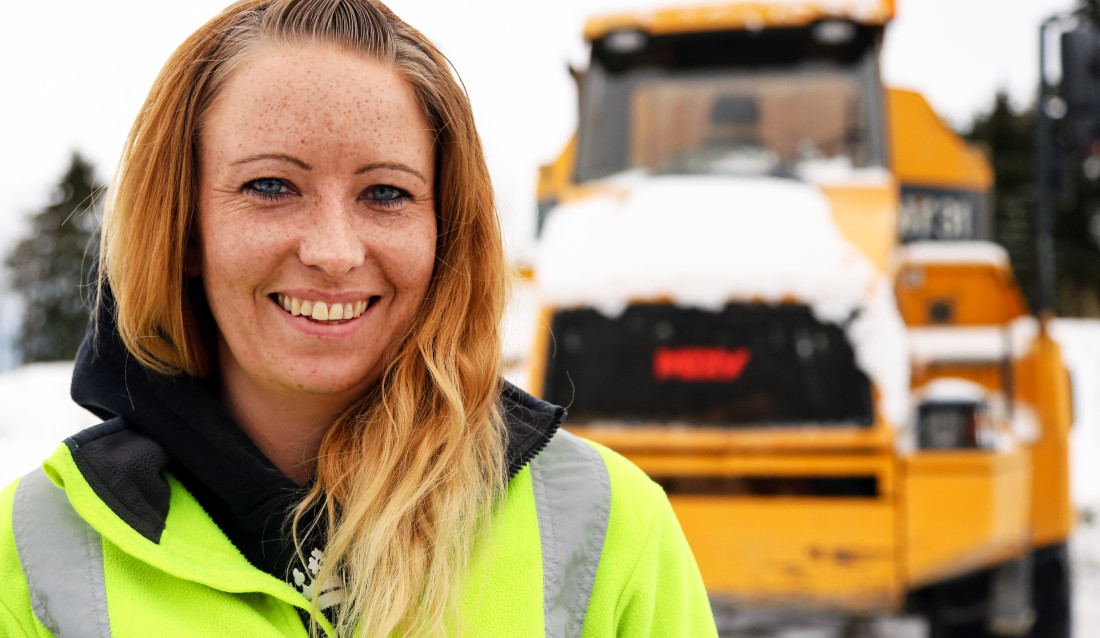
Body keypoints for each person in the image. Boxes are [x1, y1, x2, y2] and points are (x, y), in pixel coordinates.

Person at [0, 0, 717, 636]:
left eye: (386, 194)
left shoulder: (605, 527)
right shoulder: (32, 553)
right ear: (185, 228)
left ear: (445, 231)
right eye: (272, 186)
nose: (335, 252)